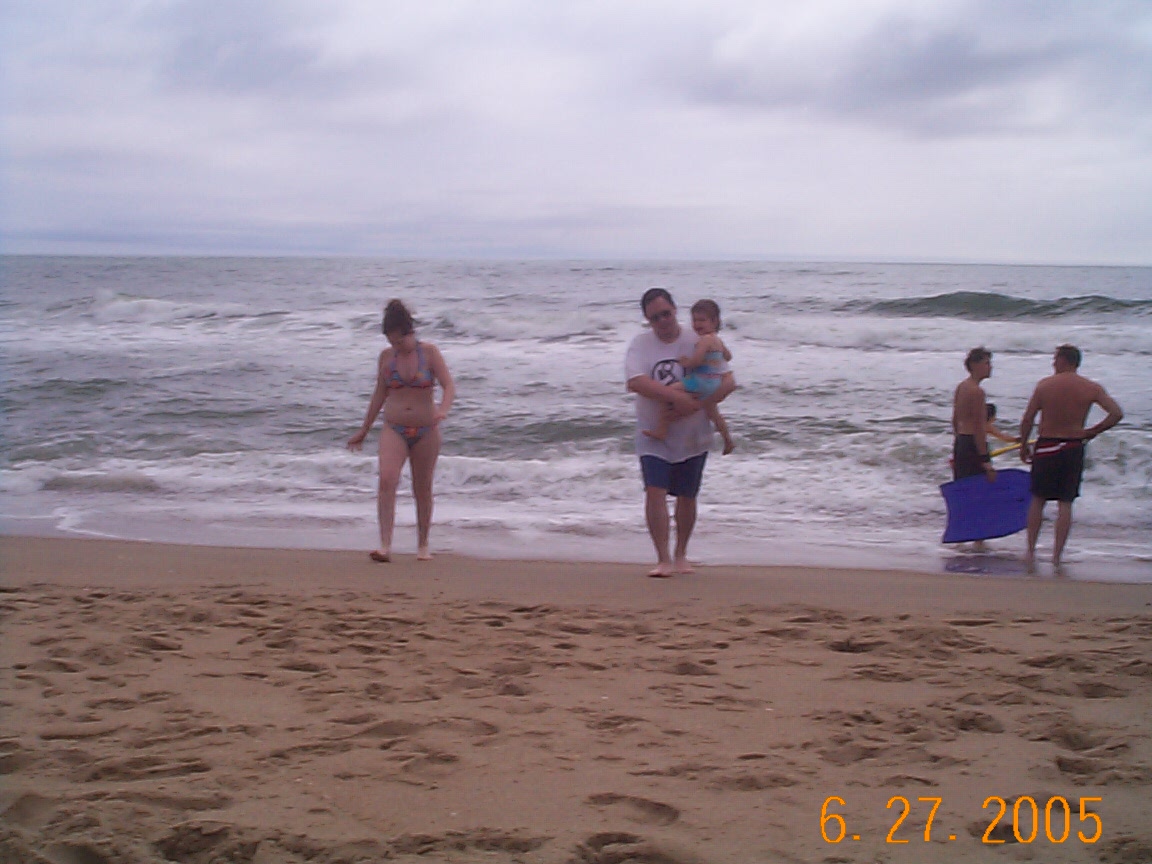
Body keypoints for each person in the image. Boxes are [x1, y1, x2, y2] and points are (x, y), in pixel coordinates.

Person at [625, 289, 735, 577]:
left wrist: (694, 405)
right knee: (655, 491)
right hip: (653, 432)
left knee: (687, 495)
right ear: (647, 319)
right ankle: (663, 559)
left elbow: (727, 380)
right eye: (654, 318)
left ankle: (681, 554)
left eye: (666, 314)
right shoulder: (640, 344)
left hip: (692, 434)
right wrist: (676, 398)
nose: (662, 321)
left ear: (675, 310)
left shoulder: (696, 338)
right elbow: (635, 382)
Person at [347, 299, 456, 563]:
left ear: (408, 331)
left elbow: (449, 386)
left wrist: (443, 409)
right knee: (387, 480)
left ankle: (423, 546)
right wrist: (364, 429)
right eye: (390, 341)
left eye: (398, 340)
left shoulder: (429, 353)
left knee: (422, 488)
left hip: (426, 430)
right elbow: (379, 394)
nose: (395, 345)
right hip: (393, 428)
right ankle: (385, 545)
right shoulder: (386, 358)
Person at [1019, 344, 1123, 567]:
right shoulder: (1091, 387)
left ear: (1064, 361)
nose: (1053, 363)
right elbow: (1116, 413)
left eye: (1055, 359)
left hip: (1047, 445)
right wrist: (1093, 431)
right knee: (1065, 502)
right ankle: (1057, 556)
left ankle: (1030, 551)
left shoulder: (1045, 385)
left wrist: (1023, 445)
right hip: (1073, 446)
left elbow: (1028, 418)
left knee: (1038, 499)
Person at [644, 299, 736, 455]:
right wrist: (715, 359)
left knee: (668, 392)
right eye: (694, 320)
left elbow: (697, 361)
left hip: (700, 380)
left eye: (702, 320)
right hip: (714, 382)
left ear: (714, 321)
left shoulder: (705, 340)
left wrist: (686, 362)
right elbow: (728, 356)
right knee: (714, 414)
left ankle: (662, 429)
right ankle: (728, 441)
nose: (697, 324)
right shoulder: (718, 340)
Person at [951, 347, 997, 482]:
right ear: (974, 365)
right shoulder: (977, 392)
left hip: (961, 442)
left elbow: (955, 420)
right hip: (973, 445)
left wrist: (958, 444)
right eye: (986, 363)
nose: (990, 367)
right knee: (979, 486)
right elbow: (979, 427)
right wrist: (985, 460)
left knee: (963, 486)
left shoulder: (962, 386)